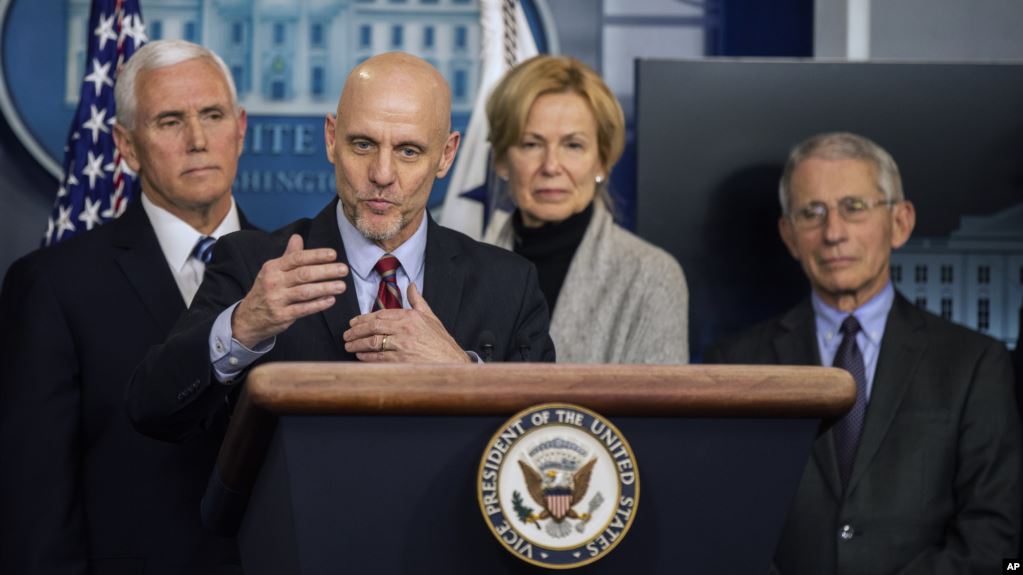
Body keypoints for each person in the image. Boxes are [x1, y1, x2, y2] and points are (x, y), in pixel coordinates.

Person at [126, 52, 555, 444]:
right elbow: (152, 408)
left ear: (446, 155)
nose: (382, 174)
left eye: (408, 151)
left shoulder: (509, 284)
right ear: (332, 138)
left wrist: (461, 376)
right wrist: (243, 326)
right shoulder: (252, 265)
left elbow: (547, 443)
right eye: (363, 145)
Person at [706, 132, 1021, 574]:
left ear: (900, 223)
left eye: (853, 207)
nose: (833, 233)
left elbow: (993, 534)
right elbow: (723, 521)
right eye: (812, 213)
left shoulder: (975, 364)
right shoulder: (734, 364)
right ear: (789, 236)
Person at [0, 40, 252, 573]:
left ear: (241, 129)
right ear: (126, 146)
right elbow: (36, 509)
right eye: (170, 121)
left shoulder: (303, 272)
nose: (198, 140)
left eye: (212, 115)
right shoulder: (54, 286)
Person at [483, 55, 688, 363]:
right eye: (531, 144)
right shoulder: (460, 263)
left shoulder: (651, 275)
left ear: (602, 160)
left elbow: (658, 396)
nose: (551, 166)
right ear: (502, 160)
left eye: (573, 145)